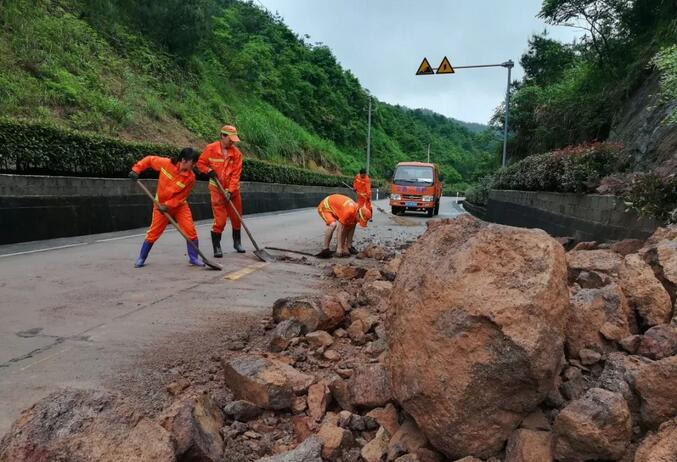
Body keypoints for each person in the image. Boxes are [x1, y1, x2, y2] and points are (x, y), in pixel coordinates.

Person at [128, 148, 203, 268]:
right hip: (159, 206)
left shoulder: (190, 177)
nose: (194, 166)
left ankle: (193, 258)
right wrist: (136, 169)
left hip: (179, 206)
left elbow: (181, 197)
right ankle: (142, 257)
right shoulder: (166, 164)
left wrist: (168, 205)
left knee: (190, 231)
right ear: (183, 160)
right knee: (154, 232)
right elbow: (149, 160)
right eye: (192, 163)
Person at [197, 125, 245, 257]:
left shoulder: (237, 154)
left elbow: (236, 175)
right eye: (230, 139)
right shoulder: (210, 149)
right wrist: (208, 171)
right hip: (217, 190)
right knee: (220, 220)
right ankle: (217, 247)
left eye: (234, 140)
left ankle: (237, 242)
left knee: (236, 217)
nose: (233, 142)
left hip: (233, 192)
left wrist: (230, 190)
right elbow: (200, 164)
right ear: (223, 136)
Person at [317, 194, 371, 258]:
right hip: (325, 207)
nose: (360, 222)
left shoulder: (357, 211)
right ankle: (325, 249)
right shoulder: (349, 211)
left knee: (352, 224)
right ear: (358, 214)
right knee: (333, 225)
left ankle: (349, 246)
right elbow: (339, 229)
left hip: (336, 208)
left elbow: (349, 228)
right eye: (360, 220)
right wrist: (339, 247)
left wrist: (346, 246)